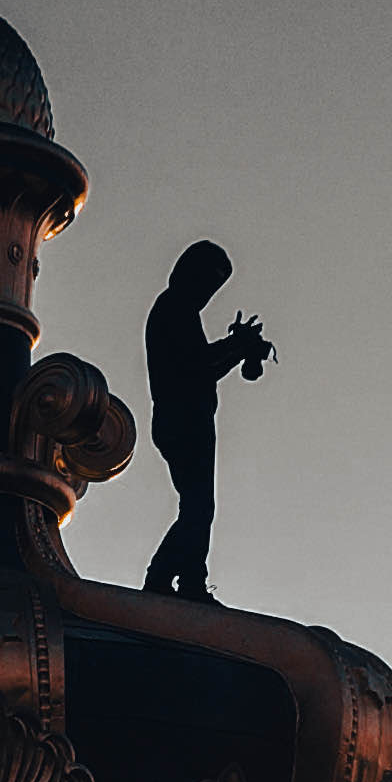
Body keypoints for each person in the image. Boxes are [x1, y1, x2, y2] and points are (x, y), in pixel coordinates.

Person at [137, 243, 272, 601]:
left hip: (185, 419)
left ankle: (176, 578)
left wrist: (235, 348)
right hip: (183, 420)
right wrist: (237, 347)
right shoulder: (173, 308)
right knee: (198, 506)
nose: (208, 293)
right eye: (207, 282)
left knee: (197, 506)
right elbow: (198, 367)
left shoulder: (178, 310)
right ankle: (183, 581)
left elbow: (201, 365)